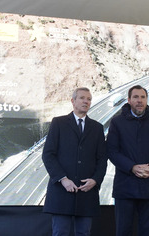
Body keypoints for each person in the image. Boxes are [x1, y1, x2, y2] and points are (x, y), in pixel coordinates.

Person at [42, 87, 108, 236]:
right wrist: (63, 179)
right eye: (82, 98)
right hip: (62, 190)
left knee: (84, 233)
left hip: (86, 191)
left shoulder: (97, 128)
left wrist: (95, 180)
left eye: (89, 99)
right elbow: (48, 154)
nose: (86, 101)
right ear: (73, 101)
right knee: (61, 232)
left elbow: (102, 158)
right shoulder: (58, 123)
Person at [107, 85, 149, 236]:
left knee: (147, 231)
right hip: (125, 187)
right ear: (129, 100)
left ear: (147, 100)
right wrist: (132, 167)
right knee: (123, 231)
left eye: (143, 97)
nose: (139, 101)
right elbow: (112, 151)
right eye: (135, 97)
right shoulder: (117, 122)